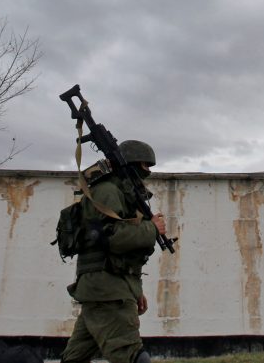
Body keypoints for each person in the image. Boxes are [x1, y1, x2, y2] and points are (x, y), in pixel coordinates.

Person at [61, 140, 166, 363]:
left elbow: (121, 251)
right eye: (144, 165)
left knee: (74, 359)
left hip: (106, 288)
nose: (147, 171)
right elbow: (110, 236)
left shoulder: (119, 191)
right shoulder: (107, 191)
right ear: (129, 164)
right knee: (131, 355)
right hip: (108, 290)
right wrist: (152, 228)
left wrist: (134, 289)